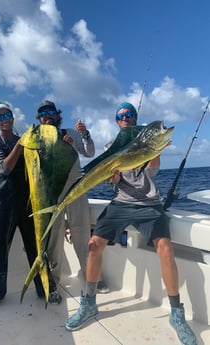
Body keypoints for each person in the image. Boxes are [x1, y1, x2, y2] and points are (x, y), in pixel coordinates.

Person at [65, 102, 197, 345]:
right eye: (121, 115)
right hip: (120, 204)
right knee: (94, 245)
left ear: (135, 119)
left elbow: (153, 170)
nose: (126, 118)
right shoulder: (111, 147)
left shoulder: (147, 142)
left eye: (130, 115)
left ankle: (177, 314)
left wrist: (154, 149)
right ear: (117, 121)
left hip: (149, 204)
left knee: (165, 249)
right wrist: (112, 178)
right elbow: (111, 181)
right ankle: (89, 303)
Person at [0, 102, 60, 311]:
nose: (4, 119)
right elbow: (5, 168)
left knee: (36, 246)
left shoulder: (25, 140)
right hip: (4, 202)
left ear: (13, 116)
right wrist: (22, 143)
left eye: (7, 114)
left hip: (27, 200)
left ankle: (46, 287)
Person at [36, 100, 109, 298]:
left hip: (76, 189)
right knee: (54, 240)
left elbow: (90, 152)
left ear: (57, 115)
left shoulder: (71, 132)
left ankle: (92, 277)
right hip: (52, 194)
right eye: (43, 113)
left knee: (82, 235)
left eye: (51, 111)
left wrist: (84, 135)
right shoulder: (37, 139)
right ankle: (53, 280)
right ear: (39, 118)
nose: (47, 115)